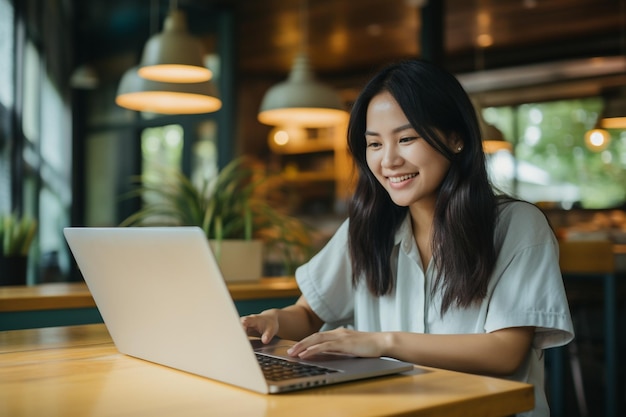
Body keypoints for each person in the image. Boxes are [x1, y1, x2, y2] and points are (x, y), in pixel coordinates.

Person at [241, 59, 574, 417]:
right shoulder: (365, 227)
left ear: (456, 138)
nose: (388, 160)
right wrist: (273, 319)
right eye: (374, 144)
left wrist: (381, 343)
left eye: (406, 138)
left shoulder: (517, 225)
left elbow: (505, 352)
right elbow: (308, 313)